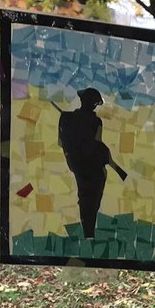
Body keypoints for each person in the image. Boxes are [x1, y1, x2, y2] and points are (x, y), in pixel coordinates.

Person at [53, 87, 129, 239]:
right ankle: (89, 233)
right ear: (94, 104)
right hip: (94, 166)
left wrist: (71, 156)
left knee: (85, 197)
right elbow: (98, 143)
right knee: (93, 199)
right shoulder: (95, 121)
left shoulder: (66, 118)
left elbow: (61, 142)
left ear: (81, 101)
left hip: (78, 164)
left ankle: (88, 233)